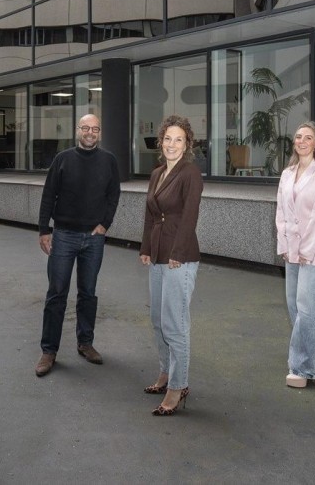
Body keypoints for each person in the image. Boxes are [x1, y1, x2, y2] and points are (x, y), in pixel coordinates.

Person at [35, 114, 121, 377]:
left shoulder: (108, 160)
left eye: (95, 129)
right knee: (57, 293)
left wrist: (105, 225)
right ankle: (49, 351)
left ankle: (86, 343)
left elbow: (113, 194)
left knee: (88, 293)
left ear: (100, 132)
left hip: (93, 239)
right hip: (63, 236)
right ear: (77, 130)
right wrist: (43, 230)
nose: (90, 132)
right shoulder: (63, 159)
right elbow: (49, 194)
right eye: (85, 128)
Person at [139, 115, 203, 415]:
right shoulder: (157, 174)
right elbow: (151, 215)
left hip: (181, 256)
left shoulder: (190, 174)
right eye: (167, 138)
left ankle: (178, 386)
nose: (172, 144)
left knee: (175, 325)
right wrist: (146, 248)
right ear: (160, 141)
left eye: (178, 139)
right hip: (158, 253)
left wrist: (176, 253)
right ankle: (165, 374)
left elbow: (189, 217)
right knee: (158, 321)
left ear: (187, 143)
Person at [275, 121, 315, 388]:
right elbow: (281, 212)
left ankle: (302, 368)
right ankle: (308, 359)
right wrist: (285, 245)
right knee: (294, 306)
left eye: (308, 137)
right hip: (292, 251)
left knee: (307, 309)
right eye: (298, 136)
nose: (302, 141)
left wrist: (306, 251)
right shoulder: (287, 174)